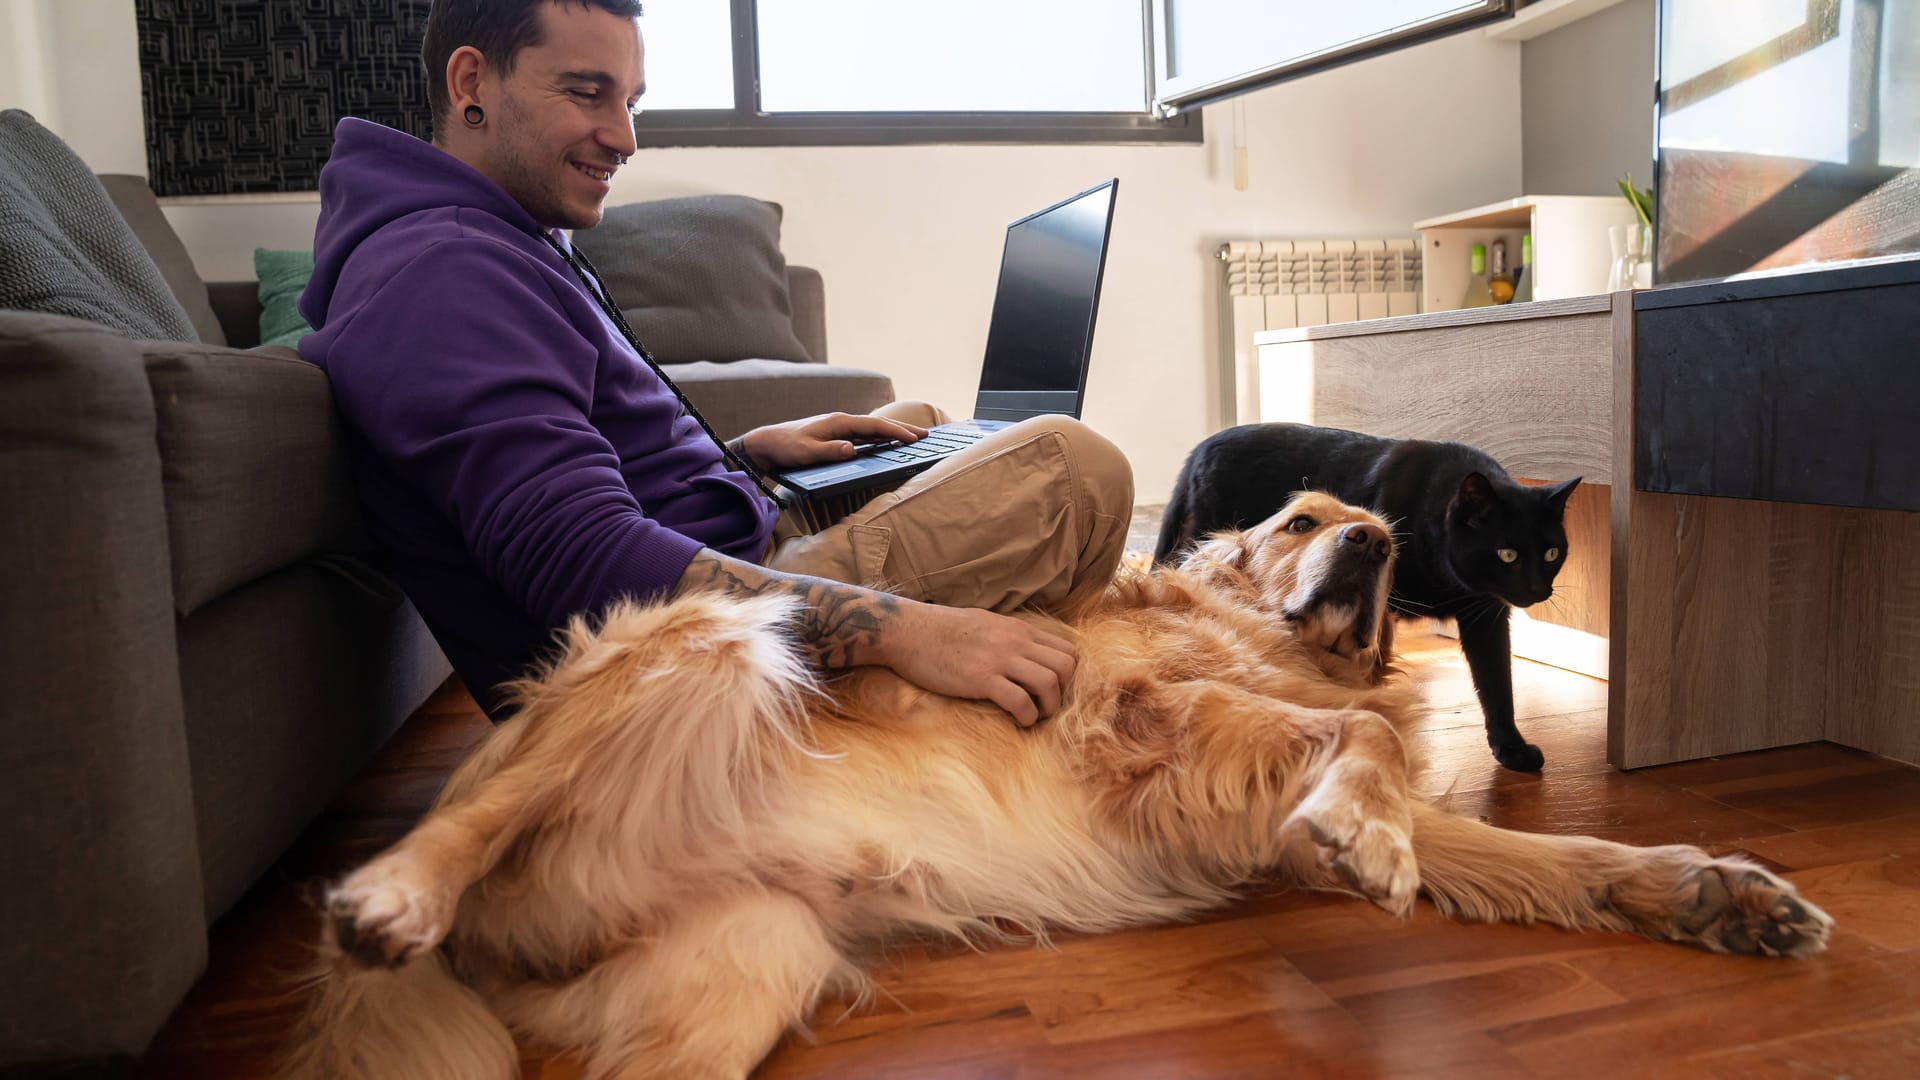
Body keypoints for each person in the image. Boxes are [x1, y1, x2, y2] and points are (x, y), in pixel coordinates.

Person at [298, 0, 1133, 727]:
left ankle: (1003, 661)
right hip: (679, 668)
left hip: (722, 545)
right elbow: (585, 567)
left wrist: (746, 453)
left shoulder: (492, 237)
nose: (623, 137)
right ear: (472, 81)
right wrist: (913, 632)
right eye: (586, 92)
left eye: (629, 100)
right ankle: (995, 695)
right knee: (1072, 466)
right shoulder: (442, 272)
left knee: (922, 424)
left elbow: (569, 459)